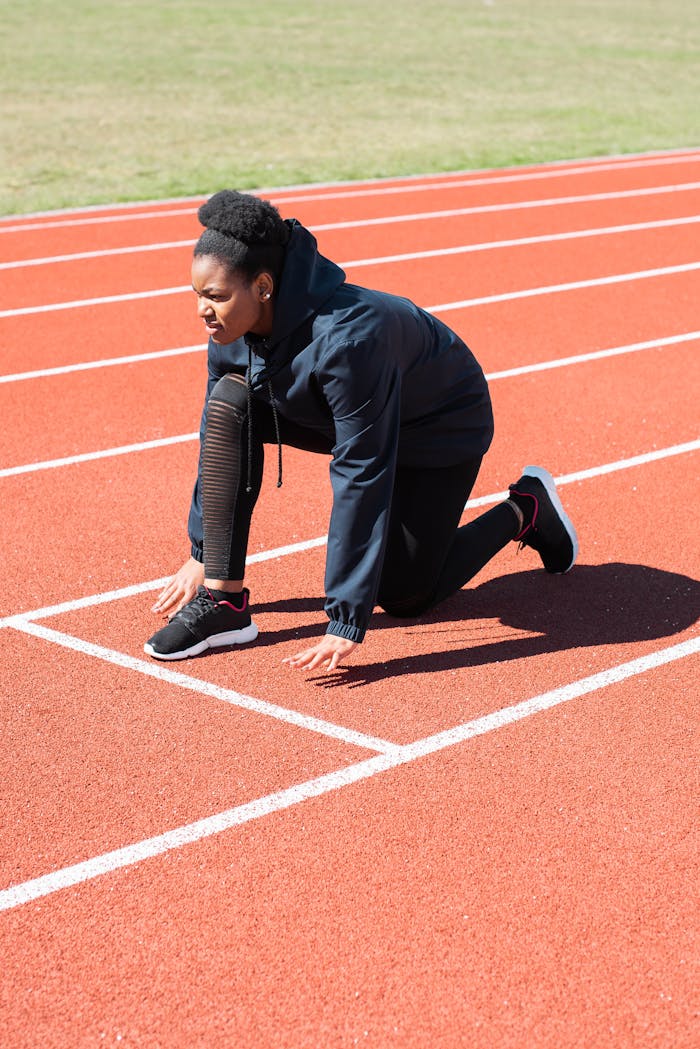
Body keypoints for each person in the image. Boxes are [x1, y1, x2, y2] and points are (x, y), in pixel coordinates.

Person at [145, 190, 577, 671]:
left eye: (216, 296)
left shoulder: (349, 340)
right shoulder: (231, 331)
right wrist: (205, 552)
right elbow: (218, 437)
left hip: (441, 424)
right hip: (344, 408)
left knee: (404, 596)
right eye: (198, 295)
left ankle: (527, 508)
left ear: (263, 288)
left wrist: (345, 615)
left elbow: (361, 469)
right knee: (230, 403)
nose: (202, 310)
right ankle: (225, 602)